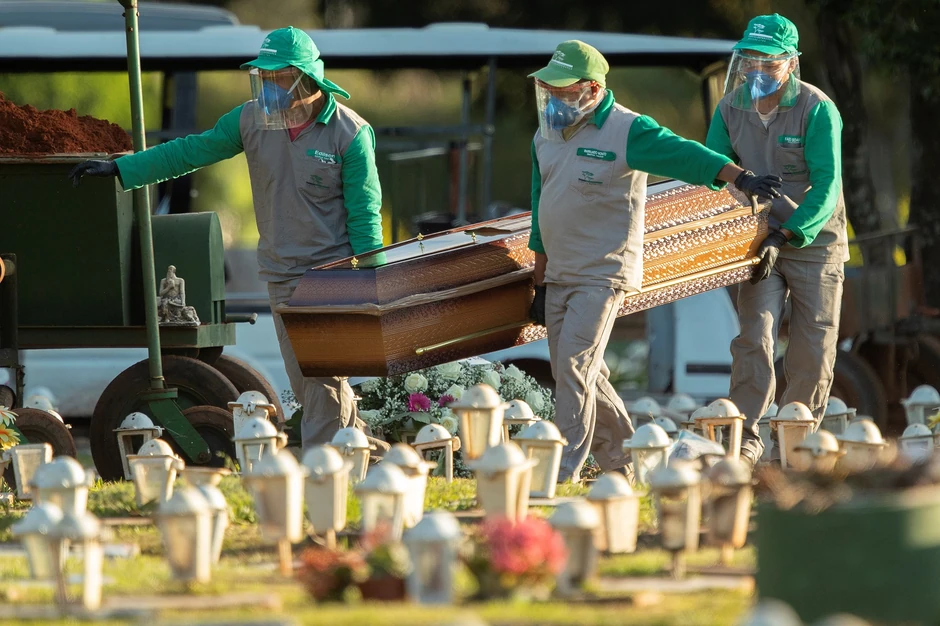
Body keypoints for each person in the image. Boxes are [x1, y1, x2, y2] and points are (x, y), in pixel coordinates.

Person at [69, 27, 384, 451]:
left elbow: (365, 217)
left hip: (332, 277)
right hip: (281, 274)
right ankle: (366, 454)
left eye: (277, 77)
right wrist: (123, 170)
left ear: (305, 78)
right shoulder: (249, 119)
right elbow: (189, 151)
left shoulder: (350, 134)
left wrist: (373, 285)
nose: (267, 87)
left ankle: (323, 478)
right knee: (309, 382)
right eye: (263, 77)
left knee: (321, 382)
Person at [527, 40, 781, 482]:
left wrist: (741, 177)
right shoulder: (544, 135)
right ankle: (624, 461)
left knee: (574, 368)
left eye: (563, 92)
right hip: (561, 274)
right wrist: (540, 281)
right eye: (549, 90)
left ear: (590, 89)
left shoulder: (629, 130)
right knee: (584, 375)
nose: (553, 100)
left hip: (601, 274)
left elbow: (684, 153)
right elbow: (539, 209)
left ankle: (561, 471)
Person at [705, 14, 848, 465]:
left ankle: (794, 441)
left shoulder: (817, 108)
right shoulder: (729, 108)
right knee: (754, 337)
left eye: (769, 62)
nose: (757, 70)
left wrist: (788, 233)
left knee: (813, 344)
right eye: (750, 60)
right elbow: (711, 171)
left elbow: (827, 186)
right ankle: (743, 441)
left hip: (814, 241)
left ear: (790, 63)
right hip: (756, 240)